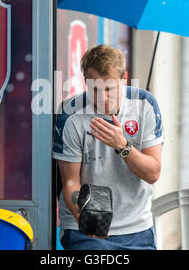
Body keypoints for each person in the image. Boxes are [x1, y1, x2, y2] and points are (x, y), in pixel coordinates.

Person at [53, 44, 164, 250]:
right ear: (85, 81)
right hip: (84, 229)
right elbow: (70, 182)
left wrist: (122, 146)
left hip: (136, 227)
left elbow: (153, 174)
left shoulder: (145, 105)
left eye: (109, 88)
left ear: (124, 78)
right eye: (94, 89)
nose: (102, 98)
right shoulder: (71, 114)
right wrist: (84, 217)